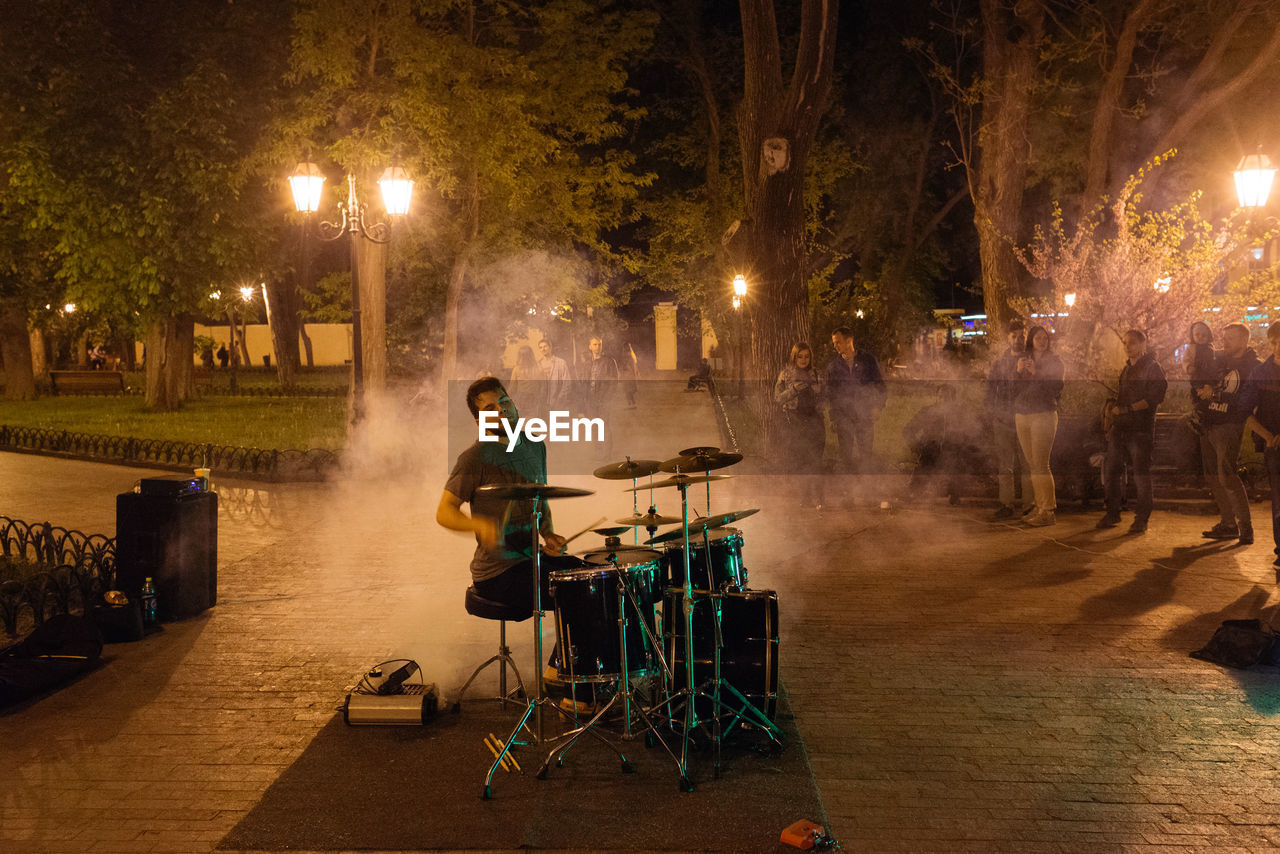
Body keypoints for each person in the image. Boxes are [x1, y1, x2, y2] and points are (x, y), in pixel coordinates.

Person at [436, 377, 579, 612]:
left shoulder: (535, 445)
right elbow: (444, 511)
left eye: (504, 401)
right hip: (497, 573)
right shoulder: (474, 458)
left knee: (598, 579)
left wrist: (548, 534)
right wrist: (481, 526)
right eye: (490, 408)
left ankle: (577, 650)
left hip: (533, 561)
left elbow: (539, 498)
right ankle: (573, 650)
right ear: (478, 420)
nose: (501, 409)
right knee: (578, 593)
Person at [1096, 329, 1167, 534]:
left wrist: (1127, 409)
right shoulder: (1127, 369)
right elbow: (1122, 397)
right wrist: (1112, 421)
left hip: (1140, 429)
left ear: (1143, 345)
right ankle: (1113, 512)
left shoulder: (1153, 368)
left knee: (1140, 474)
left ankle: (1141, 518)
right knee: (1112, 471)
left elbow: (1155, 398)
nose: (1128, 347)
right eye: (1125, 343)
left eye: (1133, 343)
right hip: (1122, 428)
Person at [1198, 322, 1259, 544]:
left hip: (1230, 425)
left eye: (1230, 338)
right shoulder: (1219, 360)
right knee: (1213, 476)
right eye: (1224, 338)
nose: (1224, 342)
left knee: (1227, 475)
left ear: (1244, 340)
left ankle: (1245, 528)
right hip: (1210, 423)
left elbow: (1249, 397)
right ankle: (1228, 524)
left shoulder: (1254, 366)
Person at [1013, 325, 1064, 527]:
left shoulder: (1054, 362)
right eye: (1038, 338)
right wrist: (1018, 372)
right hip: (1022, 415)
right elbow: (1014, 389)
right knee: (1033, 464)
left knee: (1041, 464)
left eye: (1045, 338)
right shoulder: (1024, 360)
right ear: (1031, 340)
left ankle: (1048, 510)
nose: (1042, 341)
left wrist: (1036, 373)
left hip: (1043, 415)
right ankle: (1039, 506)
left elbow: (1055, 389)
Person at [1240, 322, 1280, 569]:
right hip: (1274, 447)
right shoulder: (1260, 373)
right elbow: (1244, 410)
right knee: (1278, 500)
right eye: (1275, 341)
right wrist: (1267, 436)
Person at [985, 320, 1032, 519]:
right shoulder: (1000, 363)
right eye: (1014, 336)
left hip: (1025, 418)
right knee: (1005, 464)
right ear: (1008, 338)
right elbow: (991, 390)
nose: (1018, 340)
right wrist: (993, 412)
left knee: (1027, 463)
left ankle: (1029, 504)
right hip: (1003, 419)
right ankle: (1007, 504)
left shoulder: (1032, 360)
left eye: (1021, 336)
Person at [825, 327, 886, 473]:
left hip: (865, 416)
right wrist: (834, 418)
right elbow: (831, 395)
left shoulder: (868, 360)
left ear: (849, 340)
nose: (835, 346)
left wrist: (878, 407)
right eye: (834, 343)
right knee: (846, 456)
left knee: (865, 454)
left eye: (838, 342)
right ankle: (849, 490)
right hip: (844, 418)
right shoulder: (833, 367)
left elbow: (879, 385)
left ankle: (865, 488)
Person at [774, 342, 826, 507]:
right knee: (801, 459)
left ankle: (816, 497)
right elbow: (777, 398)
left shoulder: (816, 373)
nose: (803, 360)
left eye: (807, 356)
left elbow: (826, 398)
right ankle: (804, 497)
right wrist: (794, 390)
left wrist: (820, 393)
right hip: (795, 421)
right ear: (794, 357)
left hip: (815, 421)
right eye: (800, 356)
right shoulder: (786, 374)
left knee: (815, 459)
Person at [508, 345, 545, 417]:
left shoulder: (516, 369)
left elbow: (512, 388)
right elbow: (543, 386)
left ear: (519, 356)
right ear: (531, 355)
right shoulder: (538, 368)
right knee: (533, 420)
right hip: (534, 398)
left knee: (521, 420)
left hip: (521, 399)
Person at [537, 338, 572, 410]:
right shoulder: (538, 364)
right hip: (542, 404)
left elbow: (567, 383)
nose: (543, 349)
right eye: (540, 347)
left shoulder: (561, 362)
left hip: (558, 402)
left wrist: (560, 399)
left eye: (545, 346)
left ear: (550, 347)